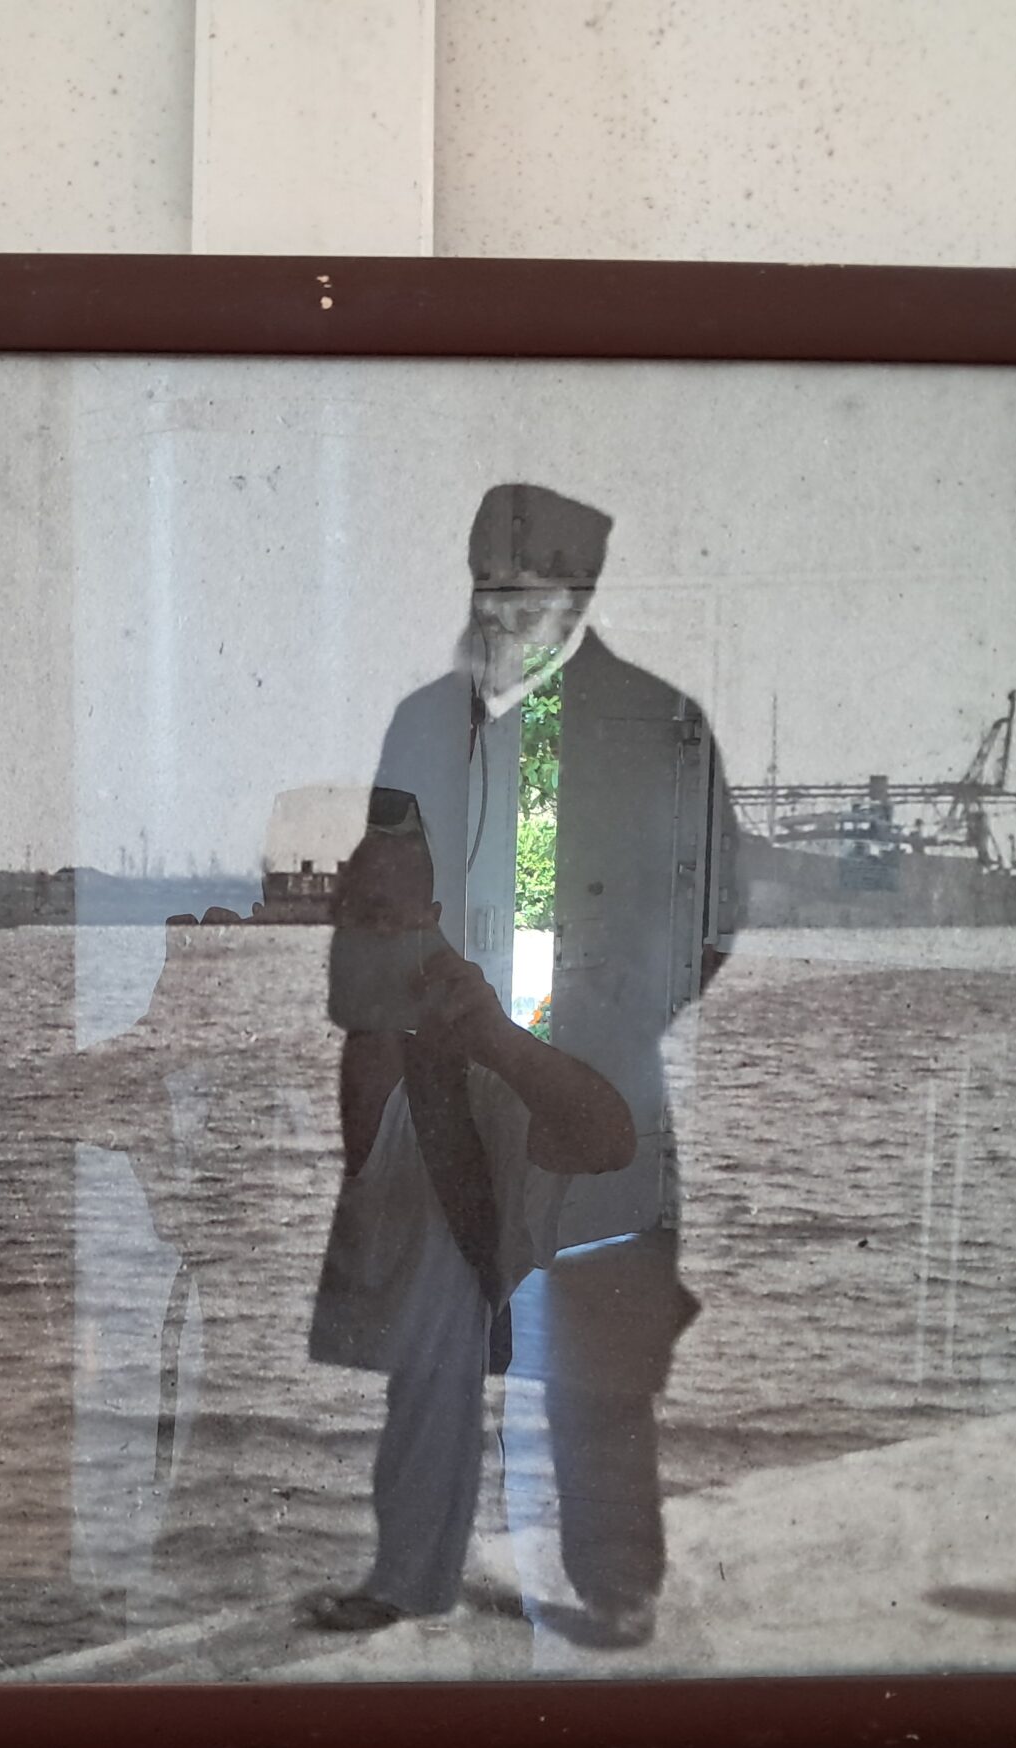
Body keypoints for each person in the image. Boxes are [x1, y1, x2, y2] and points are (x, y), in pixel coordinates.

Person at [367, 482, 743, 1650]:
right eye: (483, 588)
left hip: (587, 1094)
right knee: (428, 1343)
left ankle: (616, 1586)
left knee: (599, 1342)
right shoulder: (422, 722)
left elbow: (712, 917)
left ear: (578, 597)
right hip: (445, 1089)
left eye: (521, 595)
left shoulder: (662, 723)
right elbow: (376, 903)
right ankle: (408, 1577)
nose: (495, 612)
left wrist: (603, 1034)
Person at [300, 813, 636, 1631]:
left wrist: (496, 1037)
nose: (344, 937)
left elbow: (608, 1140)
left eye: (375, 914)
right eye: (329, 911)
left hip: (389, 1573)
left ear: (428, 924)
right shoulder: (265, 1066)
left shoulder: (462, 1085)